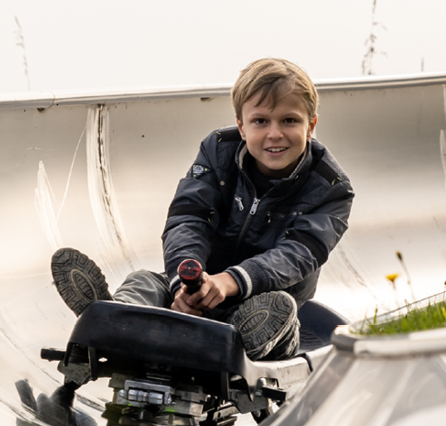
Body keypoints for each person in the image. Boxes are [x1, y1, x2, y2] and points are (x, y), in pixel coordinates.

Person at [50, 57, 353, 361]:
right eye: (261, 121)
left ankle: (236, 341)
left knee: (280, 309)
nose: (275, 134)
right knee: (144, 281)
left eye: (289, 121)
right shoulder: (218, 149)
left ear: (311, 125)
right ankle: (113, 318)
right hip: (198, 285)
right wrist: (185, 284)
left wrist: (229, 282)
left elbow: (296, 255)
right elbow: (189, 217)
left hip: (258, 303)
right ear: (242, 126)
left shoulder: (331, 189)